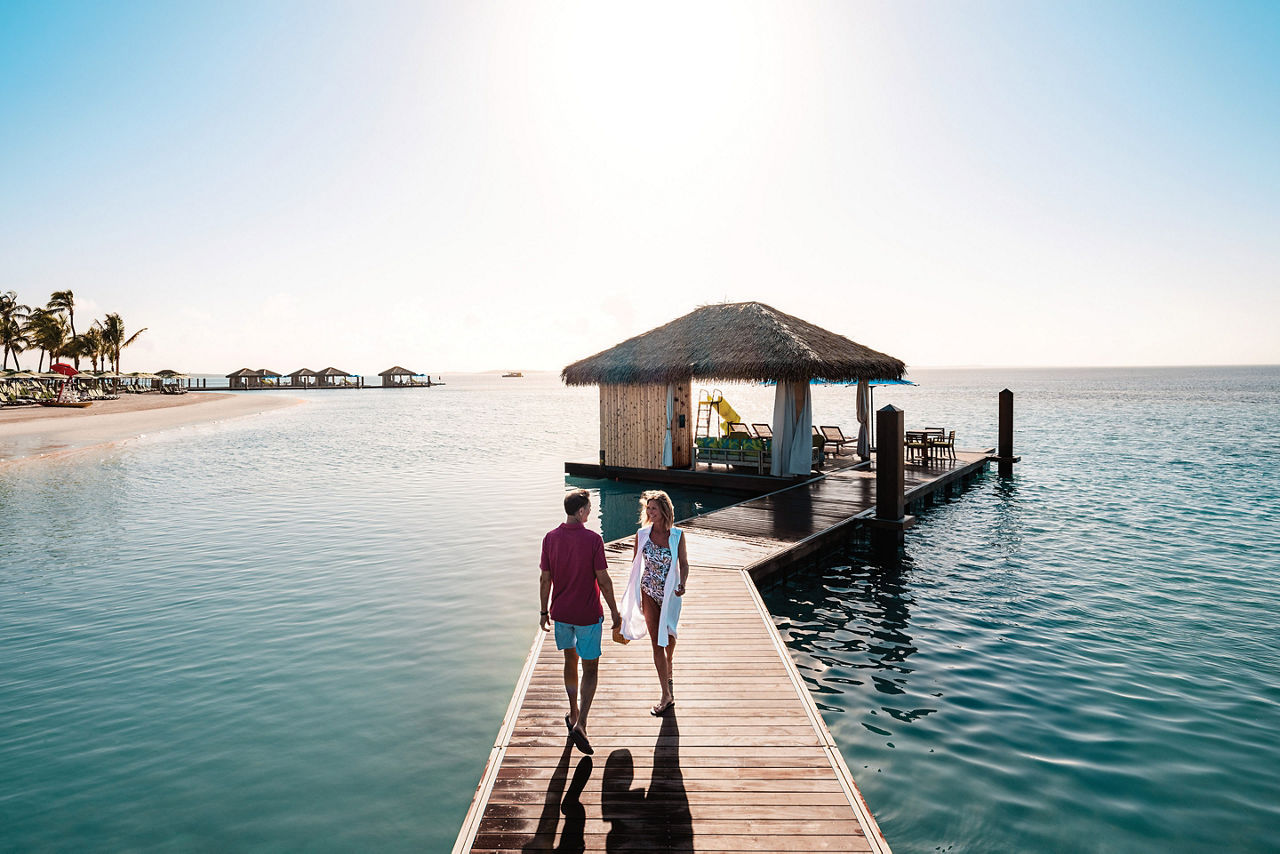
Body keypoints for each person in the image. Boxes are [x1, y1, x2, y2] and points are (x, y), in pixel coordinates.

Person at [540, 489, 621, 755]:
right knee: (591, 668)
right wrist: (615, 613)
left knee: (569, 662)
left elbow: (545, 579)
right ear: (580, 512)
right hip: (587, 615)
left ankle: (573, 711)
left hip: (561, 614)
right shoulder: (593, 540)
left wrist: (544, 612)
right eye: (588, 508)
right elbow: (604, 580)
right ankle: (582, 724)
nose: (590, 512)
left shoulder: (550, 538)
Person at [618, 490, 689, 716]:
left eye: (654, 508)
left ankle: (669, 668)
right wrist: (632, 598)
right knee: (657, 643)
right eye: (648, 508)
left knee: (669, 638)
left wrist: (683, 584)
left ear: (664, 511)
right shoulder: (642, 534)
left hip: (670, 595)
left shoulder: (677, 535)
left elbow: (684, 564)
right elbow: (635, 565)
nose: (650, 512)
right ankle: (665, 695)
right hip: (649, 591)